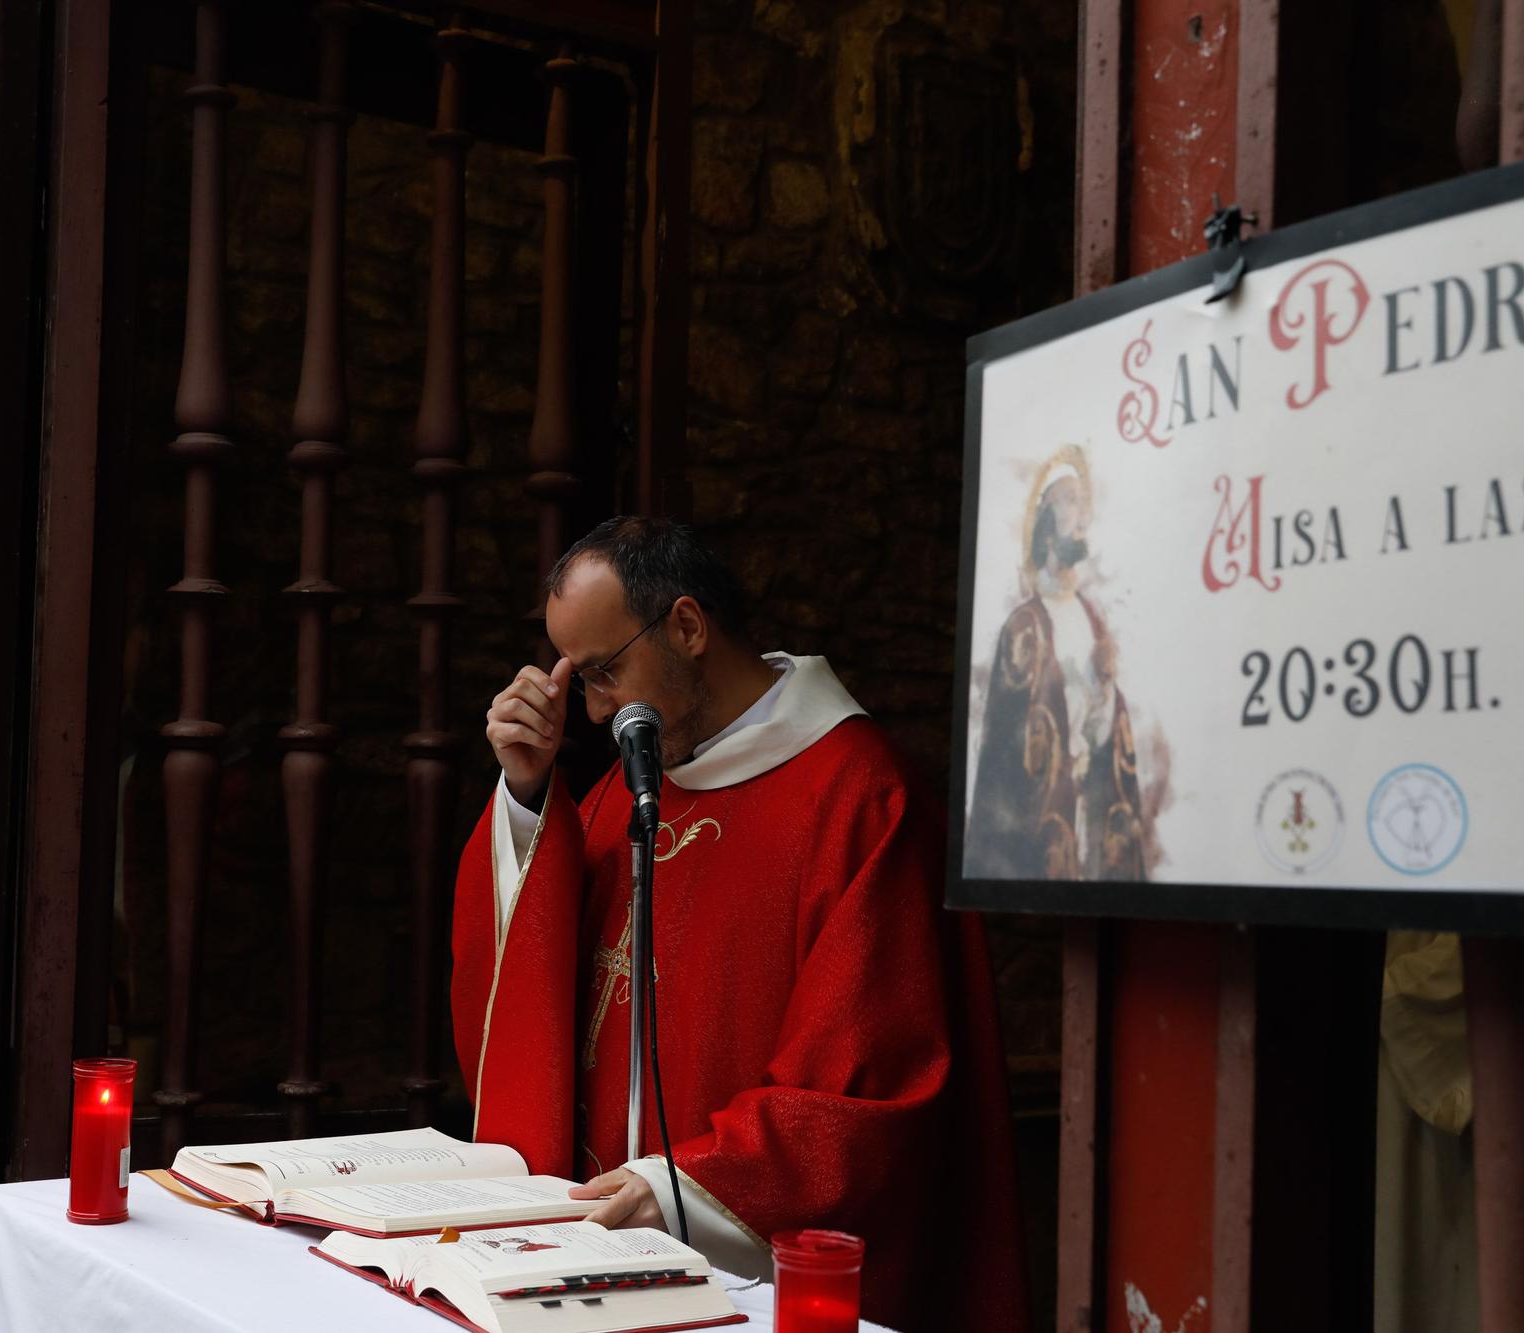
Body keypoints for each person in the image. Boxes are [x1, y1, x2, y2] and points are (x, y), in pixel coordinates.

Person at [449, 516, 1025, 1332]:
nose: (591, 709)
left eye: (606, 672)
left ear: (687, 626)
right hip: (594, 1263)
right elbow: (527, 978)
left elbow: (865, 1082)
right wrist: (528, 797)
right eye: (578, 680)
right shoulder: (634, 781)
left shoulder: (860, 799)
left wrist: (682, 1186)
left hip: (738, 1274)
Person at [968, 447, 1148, 881]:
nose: (1082, 512)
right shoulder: (1024, 625)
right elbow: (1014, 753)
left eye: (1084, 502)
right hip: (1040, 835)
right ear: (1045, 522)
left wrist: (1104, 688)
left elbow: (1100, 735)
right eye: (1069, 500)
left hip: (1087, 825)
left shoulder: (1092, 618)